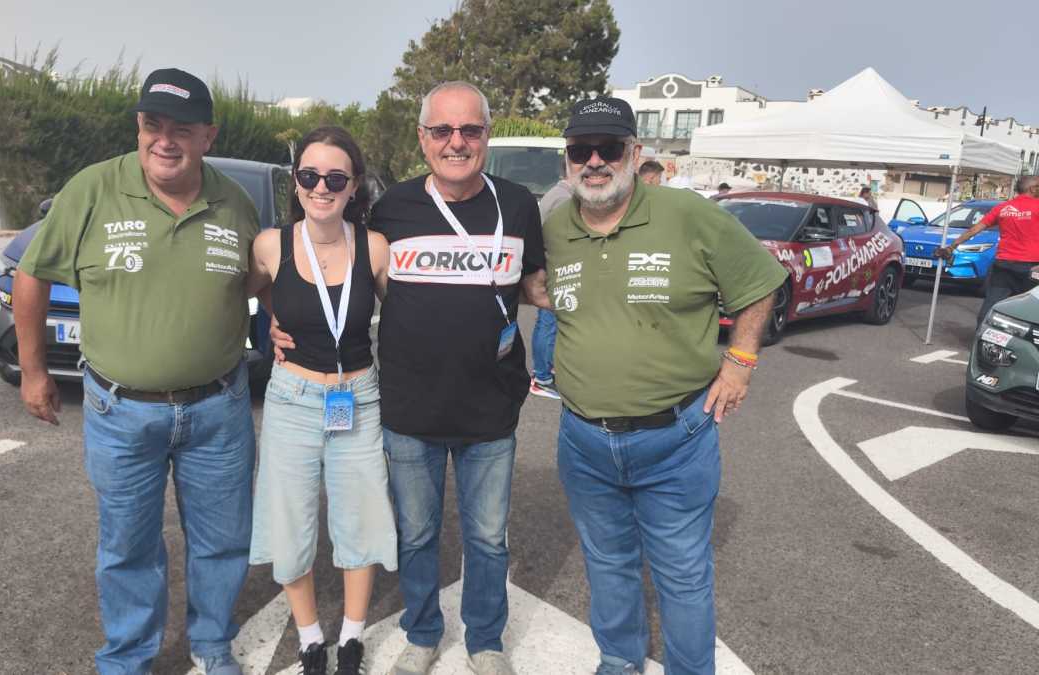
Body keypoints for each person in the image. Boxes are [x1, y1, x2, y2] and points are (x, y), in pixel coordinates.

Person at [273, 81, 546, 675]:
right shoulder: (391, 209)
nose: (456, 142)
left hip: (490, 406)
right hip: (409, 406)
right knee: (417, 536)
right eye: (442, 130)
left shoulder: (519, 205)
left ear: (487, 135)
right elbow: (335, 264)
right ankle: (422, 634)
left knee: (488, 538)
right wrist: (278, 318)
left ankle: (486, 642)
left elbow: (535, 284)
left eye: (470, 130)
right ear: (423, 138)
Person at [13, 68, 258, 675]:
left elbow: (261, 283)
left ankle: (211, 644)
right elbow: (31, 276)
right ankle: (128, 657)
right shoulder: (92, 189)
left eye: (183, 129)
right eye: (153, 124)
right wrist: (33, 371)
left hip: (219, 409)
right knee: (128, 546)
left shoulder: (235, 202)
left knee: (223, 541)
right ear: (139, 126)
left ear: (208, 135)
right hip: (120, 411)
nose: (165, 140)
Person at [542, 97, 786, 675]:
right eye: (581, 150)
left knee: (682, 574)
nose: (594, 161)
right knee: (607, 564)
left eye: (609, 148)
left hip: (675, 441)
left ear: (635, 152)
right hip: (584, 440)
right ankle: (619, 660)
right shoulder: (554, 227)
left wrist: (741, 361)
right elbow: (534, 284)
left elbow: (760, 282)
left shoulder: (687, 214)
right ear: (567, 159)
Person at [245, 126, 396, 675]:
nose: (321, 187)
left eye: (336, 178)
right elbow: (245, 291)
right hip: (292, 397)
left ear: (354, 186)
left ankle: (351, 636)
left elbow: (405, 319)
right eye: (310, 176)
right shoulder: (271, 245)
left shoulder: (374, 247)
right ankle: (310, 639)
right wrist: (274, 316)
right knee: (290, 521)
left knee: (362, 517)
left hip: (358, 397)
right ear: (296, 181)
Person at [936, 175, 1039, 324]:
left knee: (992, 302)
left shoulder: (1002, 208)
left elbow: (974, 230)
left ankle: (981, 331)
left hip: (1003, 264)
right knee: (1030, 306)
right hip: (1031, 267)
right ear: (1032, 189)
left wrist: (952, 247)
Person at [530, 166, 574, 400]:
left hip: (550, 265)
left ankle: (545, 371)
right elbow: (561, 238)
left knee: (548, 322)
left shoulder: (557, 193)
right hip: (553, 266)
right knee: (548, 323)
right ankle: (542, 377)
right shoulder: (563, 198)